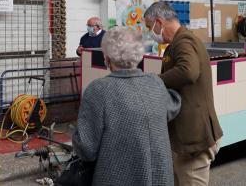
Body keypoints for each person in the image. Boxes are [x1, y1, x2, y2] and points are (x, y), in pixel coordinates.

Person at [72, 26, 181, 185]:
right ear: (139, 54)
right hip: (160, 179)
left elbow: (86, 148)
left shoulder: (99, 90)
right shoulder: (155, 82)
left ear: (107, 58)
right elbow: (173, 106)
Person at [144, 1, 223, 186]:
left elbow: (188, 71)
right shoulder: (178, 42)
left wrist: (155, 81)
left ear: (159, 22)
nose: (150, 32)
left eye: (150, 27)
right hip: (187, 136)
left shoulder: (184, 41)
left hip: (194, 138)